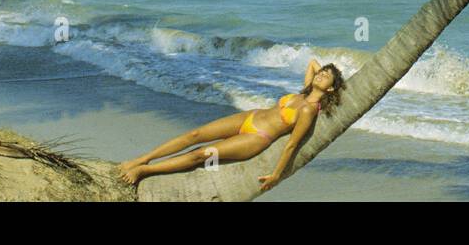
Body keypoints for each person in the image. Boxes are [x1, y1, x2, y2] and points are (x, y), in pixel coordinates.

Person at [117, 59, 344, 190]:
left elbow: (292, 145)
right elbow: (312, 64)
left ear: (331, 89)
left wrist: (277, 175)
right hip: (249, 117)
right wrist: (326, 72)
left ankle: (144, 170)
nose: (321, 74)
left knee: (202, 154)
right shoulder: (303, 92)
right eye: (322, 72)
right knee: (195, 134)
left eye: (326, 77)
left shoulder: (308, 110)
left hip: (256, 137)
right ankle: (142, 158)